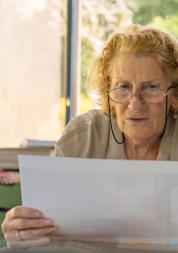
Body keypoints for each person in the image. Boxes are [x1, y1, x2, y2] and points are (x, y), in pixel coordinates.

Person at [1, 24, 178, 249]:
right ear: (107, 91)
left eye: (151, 87)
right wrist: (21, 229)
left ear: (174, 94)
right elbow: (46, 226)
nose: (135, 103)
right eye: (123, 87)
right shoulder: (83, 136)